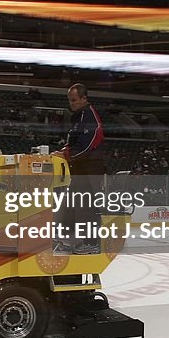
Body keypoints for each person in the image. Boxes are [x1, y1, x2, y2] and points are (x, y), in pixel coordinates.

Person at [54, 83, 105, 255]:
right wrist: (63, 151)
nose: (71, 103)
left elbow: (88, 144)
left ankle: (91, 243)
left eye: (74, 100)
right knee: (71, 204)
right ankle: (69, 240)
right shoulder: (78, 116)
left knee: (87, 206)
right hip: (79, 167)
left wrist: (67, 154)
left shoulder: (90, 116)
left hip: (91, 168)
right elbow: (73, 142)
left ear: (84, 98)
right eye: (70, 100)